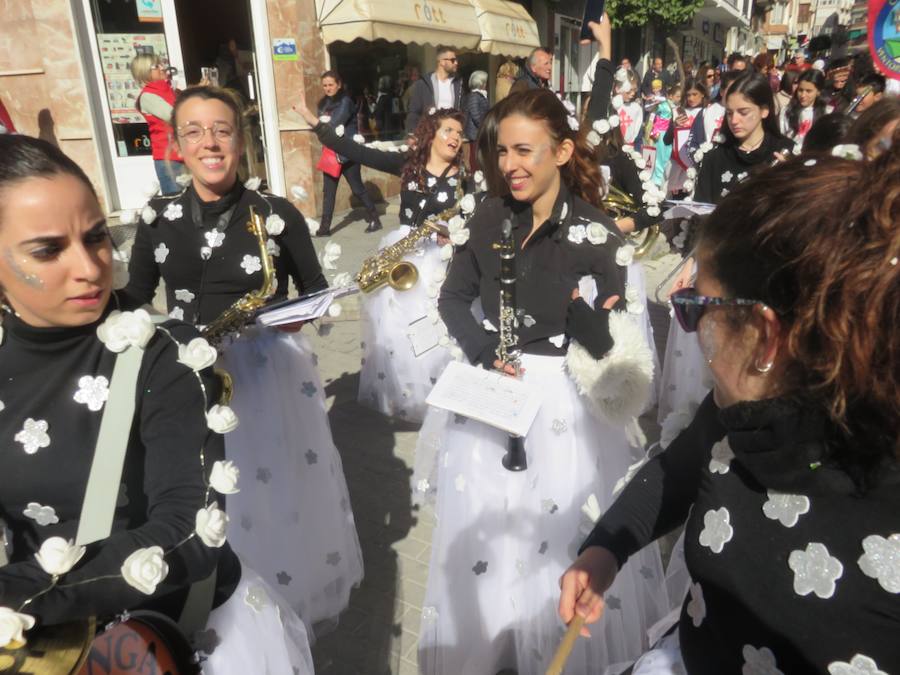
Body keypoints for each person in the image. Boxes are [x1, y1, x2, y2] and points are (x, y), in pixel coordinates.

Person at [559, 143, 900, 674]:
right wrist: (604, 550)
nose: (692, 333)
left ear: (764, 336)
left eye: (696, 308)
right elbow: (675, 471)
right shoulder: (737, 414)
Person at [0, 134, 313, 673]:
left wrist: (20, 594)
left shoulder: (161, 353)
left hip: (168, 634)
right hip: (37, 646)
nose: (89, 267)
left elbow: (189, 531)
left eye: (97, 237)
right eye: (49, 249)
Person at [416, 87, 670, 675]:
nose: (511, 165)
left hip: (565, 406)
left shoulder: (600, 235)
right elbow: (453, 297)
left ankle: (547, 648)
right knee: (489, 538)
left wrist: (597, 334)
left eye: (525, 151)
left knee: (552, 538)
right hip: (493, 394)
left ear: (561, 152)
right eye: (503, 151)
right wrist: (483, 349)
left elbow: (626, 364)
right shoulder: (486, 214)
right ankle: (495, 647)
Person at [125, 86, 363, 636]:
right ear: (177, 146)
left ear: (240, 141)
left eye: (222, 130)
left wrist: (279, 319)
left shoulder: (276, 213)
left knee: (269, 493)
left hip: (264, 378)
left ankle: (275, 610)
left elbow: (316, 290)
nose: (209, 142)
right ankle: (212, 607)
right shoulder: (156, 217)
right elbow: (135, 299)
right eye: (194, 131)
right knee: (197, 496)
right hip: (186, 375)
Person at [294, 97, 477, 422]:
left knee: (437, 331)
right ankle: (407, 395)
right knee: (396, 330)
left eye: (460, 133)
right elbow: (358, 151)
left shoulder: (465, 175)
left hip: (442, 262)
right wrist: (314, 122)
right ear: (431, 134)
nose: (454, 137)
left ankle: (438, 395)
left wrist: (457, 231)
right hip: (404, 255)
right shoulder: (408, 164)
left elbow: (472, 216)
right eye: (448, 129)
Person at [694, 71, 793, 204]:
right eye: (729, 113)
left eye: (743, 112)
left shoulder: (786, 152)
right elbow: (700, 210)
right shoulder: (715, 156)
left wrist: (789, 181)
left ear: (764, 110)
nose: (734, 120)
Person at [316, 70, 383, 236]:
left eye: (331, 84)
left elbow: (333, 123)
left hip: (348, 152)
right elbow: (320, 127)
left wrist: (320, 125)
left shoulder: (345, 101)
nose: (328, 88)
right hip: (331, 153)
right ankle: (324, 228)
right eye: (325, 85)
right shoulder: (322, 103)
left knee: (357, 189)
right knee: (328, 192)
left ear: (339, 84)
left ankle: (375, 218)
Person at [130, 54, 185, 196]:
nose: (162, 68)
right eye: (156, 66)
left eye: (162, 64)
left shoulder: (168, 89)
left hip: (183, 154)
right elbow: (174, 116)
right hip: (170, 159)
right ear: (145, 72)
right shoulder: (148, 95)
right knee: (176, 205)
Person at [405, 46, 462, 132]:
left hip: (451, 133)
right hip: (430, 134)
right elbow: (414, 112)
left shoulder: (458, 84)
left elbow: (463, 111)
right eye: (453, 60)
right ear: (442, 62)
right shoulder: (422, 84)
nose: (456, 63)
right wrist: (413, 133)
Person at [779, 69, 828, 148]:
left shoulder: (825, 113)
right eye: (800, 90)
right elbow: (782, 134)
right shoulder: (787, 111)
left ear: (818, 92)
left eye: (808, 91)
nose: (803, 95)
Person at [464, 70, 490, 169]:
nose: (486, 84)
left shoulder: (481, 95)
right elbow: (475, 115)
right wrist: (484, 127)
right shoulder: (474, 96)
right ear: (481, 82)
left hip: (478, 133)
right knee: (475, 160)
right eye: (485, 81)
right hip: (474, 134)